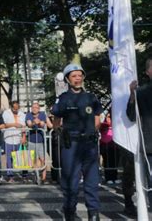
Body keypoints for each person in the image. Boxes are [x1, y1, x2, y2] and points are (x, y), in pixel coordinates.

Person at [52, 63, 102, 221]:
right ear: (68, 79)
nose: (78, 78)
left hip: (89, 145)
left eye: (80, 75)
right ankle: (69, 212)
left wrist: (92, 131)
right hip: (71, 146)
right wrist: (60, 132)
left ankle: (93, 214)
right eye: (74, 76)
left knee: (92, 183)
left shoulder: (91, 97)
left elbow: (97, 117)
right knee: (70, 184)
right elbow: (56, 120)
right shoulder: (63, 98)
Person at [127, 56, 152, 211]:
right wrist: (132, 94)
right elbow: (131, 115)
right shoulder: (141, 92)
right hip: (150, 144)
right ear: (148, 71)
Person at [25, 101, 52, 184]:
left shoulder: (42, 114)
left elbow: (42, 124)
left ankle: (44, 178)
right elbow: (29, 124)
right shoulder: (28, 115)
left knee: (42, 159)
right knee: (34, 160)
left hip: (41, 140)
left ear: (39, 109)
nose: (34, 109)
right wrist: (34, 122)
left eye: (36, 108)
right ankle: (37, 176)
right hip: (31, 140)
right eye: (33, 107)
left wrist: (39, 122)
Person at [2, 100, 26, 183]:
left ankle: (24, 176)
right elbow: (4, 124)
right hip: (8, 138)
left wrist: (24, 137)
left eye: (17, 108)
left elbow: (24, 126)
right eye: (14, 108)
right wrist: (14, 124)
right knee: (9, 159)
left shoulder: (22, 114)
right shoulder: (6, 113)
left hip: (18, 138)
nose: (16, 110)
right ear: (11, 107)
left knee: (22, 158)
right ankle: (10, 176)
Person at [99, 111, 118, 184]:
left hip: (113, 144)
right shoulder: (103, 124)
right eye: (108, 117)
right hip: (104, 144)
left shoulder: (115, 123)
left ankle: (114, 177)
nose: (108, 118)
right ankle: (108, 177)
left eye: (110, 117)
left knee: (114, 161)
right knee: (107, 161)